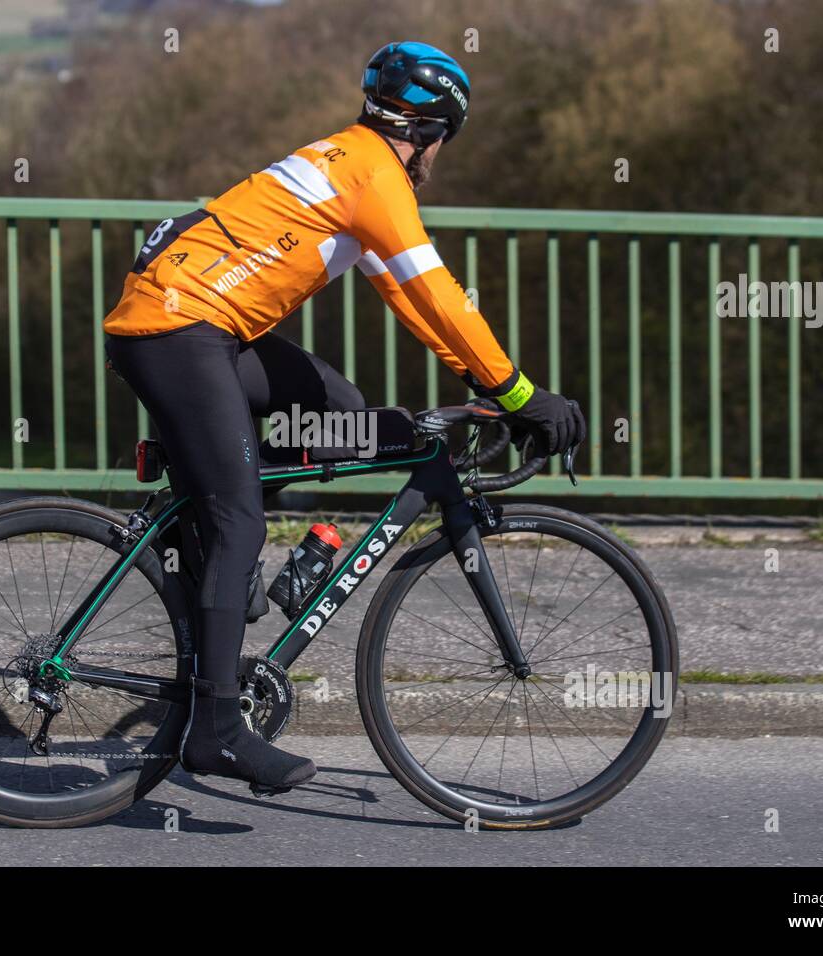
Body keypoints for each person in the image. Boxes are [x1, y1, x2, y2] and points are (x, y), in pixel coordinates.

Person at [103, 41, 586, 794]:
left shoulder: (346, 163)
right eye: (442, 143)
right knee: (239, 521)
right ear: (428, 133)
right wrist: (521, 395)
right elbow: (438, 293)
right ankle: (218, 729)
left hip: (196, 321)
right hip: (178, 330)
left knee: (341, 412)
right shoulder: (376, 177)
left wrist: (476, 381)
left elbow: (406, 294)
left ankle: (228, 555)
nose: (436, 159)